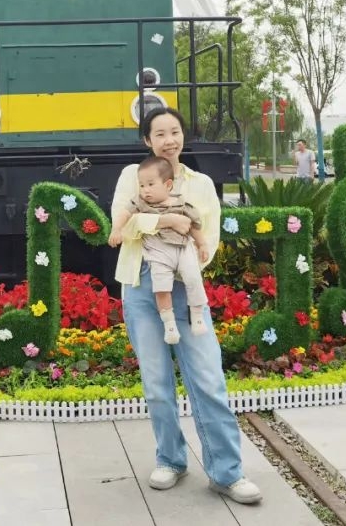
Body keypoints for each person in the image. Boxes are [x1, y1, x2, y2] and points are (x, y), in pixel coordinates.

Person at [107, 106, 262, 505]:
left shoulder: (201, 184)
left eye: (175, 132)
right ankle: (171, 459)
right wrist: (171, 223)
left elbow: (208, 238)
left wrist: (180, 262)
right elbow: (123, 226)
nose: (169, 140)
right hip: (141, 288)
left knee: (209, 380)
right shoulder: (132, 175)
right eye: (159, 134)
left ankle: (227, 473)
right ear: (147, 140)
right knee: (157, 384)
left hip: (186, 289)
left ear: (183, 136)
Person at [109, 155, 210, 344]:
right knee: (161, 288)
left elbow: (194, 226)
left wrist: (202, 244)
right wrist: (117, 229)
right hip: (158, 252)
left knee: (193, 279)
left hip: (183, 249)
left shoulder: (181, 203)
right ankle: (169, 326)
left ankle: (197, 317)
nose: (145, 190)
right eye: (141, 185)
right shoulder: (141, 202)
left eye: (150, 184)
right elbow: (124, 213)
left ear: (168, 185)